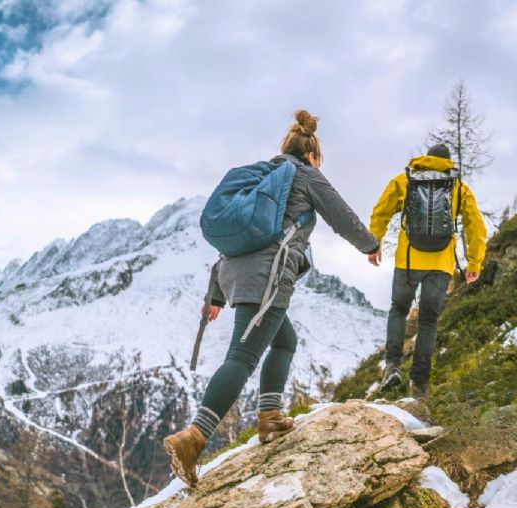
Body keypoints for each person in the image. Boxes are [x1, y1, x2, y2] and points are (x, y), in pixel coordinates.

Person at [163, 110, 380, 487]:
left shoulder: (261, 176)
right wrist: (370, 245)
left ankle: (270, 418)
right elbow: (341, 216)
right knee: (242, 357)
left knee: (285, 340)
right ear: (313, 155)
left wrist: (215, 293)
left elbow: (240, 238)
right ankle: (193, 438)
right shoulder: (306, 174)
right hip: (268, 276)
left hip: (236, 274)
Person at [368, 143, 487, 398]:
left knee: (398, 311)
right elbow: (475, 226)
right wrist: (474, 262)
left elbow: (381, 212)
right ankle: (419, 385)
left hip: (408, 261)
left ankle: (392, 367)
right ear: (447, 162)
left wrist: (374, 244)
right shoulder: (458, 187)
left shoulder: (406, 180)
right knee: (428, 321)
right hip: (441, 264)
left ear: (427, 158)